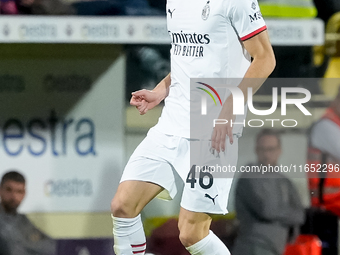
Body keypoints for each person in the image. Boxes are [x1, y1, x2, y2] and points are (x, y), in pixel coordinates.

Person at [111, 0, 276, 255]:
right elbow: (187, 60)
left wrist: (231, 105)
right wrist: (160, 91)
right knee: (122, 206)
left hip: (213, 132)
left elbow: (265, 59)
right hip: (170, 126)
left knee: (192, 234)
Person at [233, 130, 305, 255]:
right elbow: (267, 210)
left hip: (275, 248)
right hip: (253, 247)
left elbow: (299, 215)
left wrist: (279, 213)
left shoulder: (284, 181)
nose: (266, 154)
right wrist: (287, 214)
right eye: (262, 149)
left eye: (271, 149)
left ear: (279, 150)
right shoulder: (249, 175)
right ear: (256, 150)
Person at [0, 171, 56, 255]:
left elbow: (52, 246)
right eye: (9, 190)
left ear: (24, 194)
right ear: (1, 190)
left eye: (19, 191)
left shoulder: (23, 221)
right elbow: (12, 249)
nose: (14, 196)